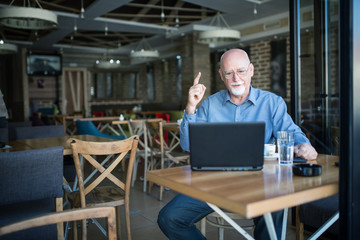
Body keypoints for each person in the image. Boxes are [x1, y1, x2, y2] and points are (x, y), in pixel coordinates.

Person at [157, 49, 318, 240]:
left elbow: (293, 134)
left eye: (241, 71)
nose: (236, 78)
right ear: (221, 76)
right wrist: (191, 108)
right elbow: (187, 145)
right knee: (169, 218)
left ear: (251, 70)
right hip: (214, 183)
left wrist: (303, 145)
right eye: (229, 73)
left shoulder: (272, 103)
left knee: (276, 206)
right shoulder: (209, 105)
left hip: (261, 184)